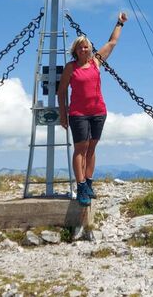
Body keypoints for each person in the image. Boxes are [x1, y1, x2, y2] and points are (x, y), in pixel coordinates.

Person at [58, 12, 127, 206]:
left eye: (86, 45)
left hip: (98, 112)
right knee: (81, 148)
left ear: (90, 49)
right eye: (80, 46)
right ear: (76, 50)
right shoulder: (70, 68)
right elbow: (61, 92)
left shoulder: (96, 62)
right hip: (78, 114)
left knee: (92, 148)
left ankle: (88, 183)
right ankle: (80, 187)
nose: (84, 48)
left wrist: (119, 23)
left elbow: (112, 42)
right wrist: (63, 115)